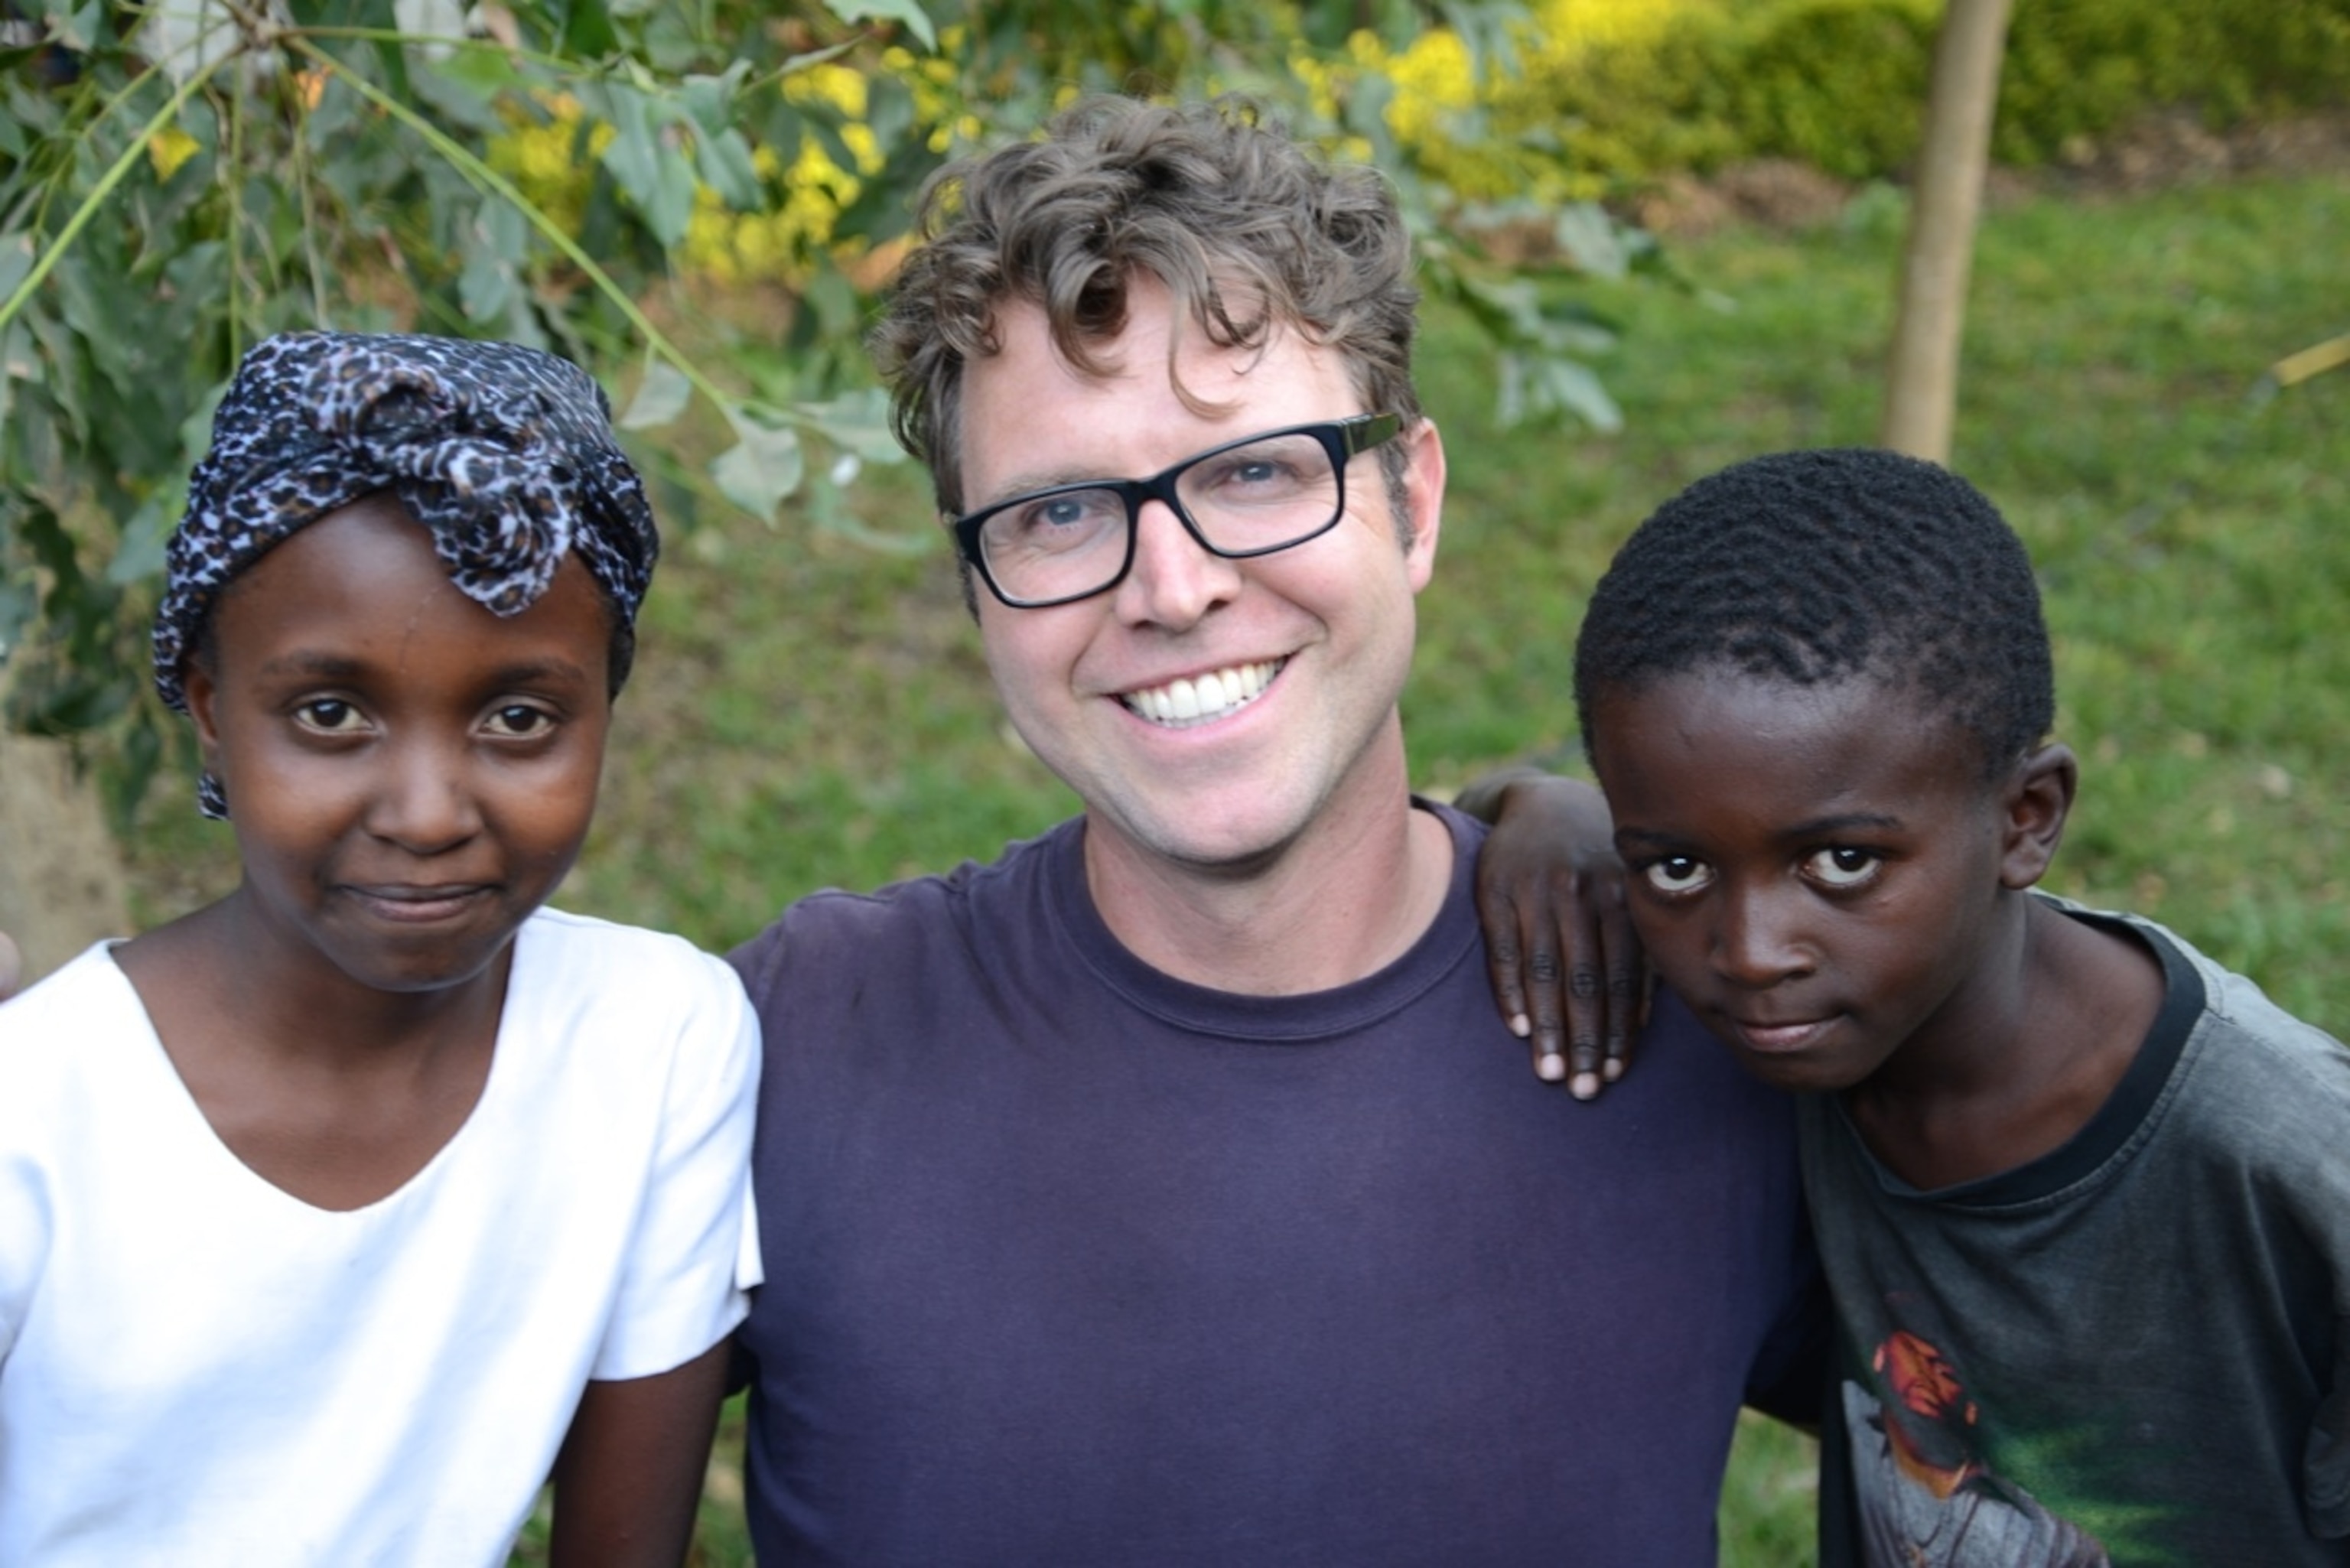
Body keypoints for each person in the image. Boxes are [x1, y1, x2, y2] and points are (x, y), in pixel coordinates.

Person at [724, 96, 1824, 1566]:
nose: (1170, 588)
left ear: (1412, 502)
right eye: (1058, 514)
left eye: (1253, 471)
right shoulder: (787, 1051)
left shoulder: (1709, 1017)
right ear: (976, 587)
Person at [1486, 446, 2350, 1563]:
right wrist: (1532, 811)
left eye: (1843, 860)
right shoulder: (1797, 1055)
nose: (1750, 954)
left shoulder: (2281, 1164)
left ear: (2028, 817)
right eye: (1679, 867)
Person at [0, 332, 760, 1566]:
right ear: (206, 708)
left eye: (519, 716)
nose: (424, 812)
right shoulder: (34, 1108)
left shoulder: (656, 1041)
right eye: (330, 712)